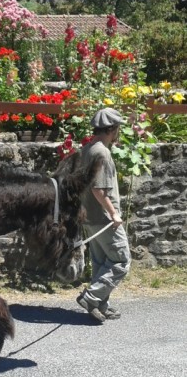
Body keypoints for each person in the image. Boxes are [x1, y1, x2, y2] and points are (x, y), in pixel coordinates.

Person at [76, 108, 132, 322]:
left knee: (101, 263)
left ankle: (100, 304)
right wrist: (113, 213)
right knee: (121, 261)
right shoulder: (102, 153)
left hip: (89, 217)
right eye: (118, 129)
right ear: (112, 129)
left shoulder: (87, 149)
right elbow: (98, 189)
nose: (118, 133)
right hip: (104, 219)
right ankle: (91, 297)